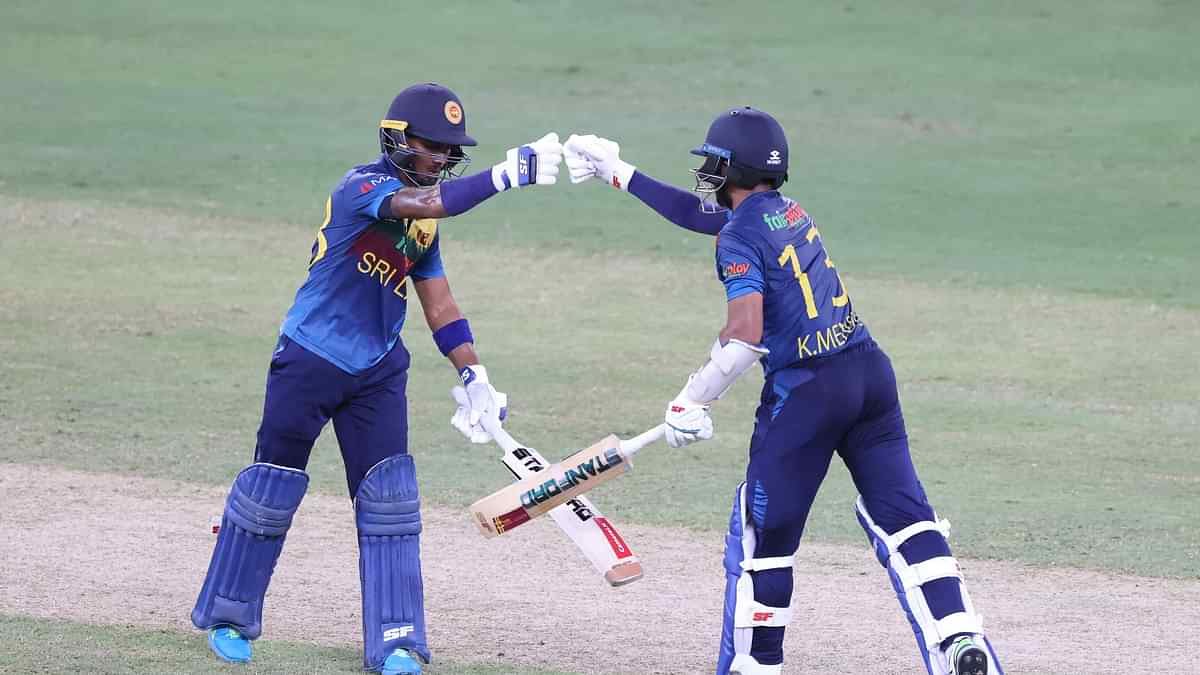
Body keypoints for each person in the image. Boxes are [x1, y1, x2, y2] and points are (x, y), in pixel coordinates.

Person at [563, 109, 1003, 675]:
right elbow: (703, 215)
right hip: (869, 375)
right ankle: (959, 640)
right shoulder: (789, 211)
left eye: (714, 163)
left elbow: (745, 334)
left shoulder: (738, 237)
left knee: (762, 542)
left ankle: (755, 666)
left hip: (808, 394)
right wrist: (619, 173)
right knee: (907, 518)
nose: (707, 172)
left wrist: (692, 398)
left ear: (733, 169)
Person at [190, 82, 563, 675]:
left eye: (449, 150)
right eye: (431, 145)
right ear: (396, 139)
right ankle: (229, 617)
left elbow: (439, 303)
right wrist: (505, 176)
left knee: (391, 503)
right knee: (270, 489)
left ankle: (396, 641)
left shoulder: (425, 224)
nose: (441, 158)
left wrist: (474, 375)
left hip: (378, 370)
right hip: (310, 358)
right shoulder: (362, 187)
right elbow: (428, 203)